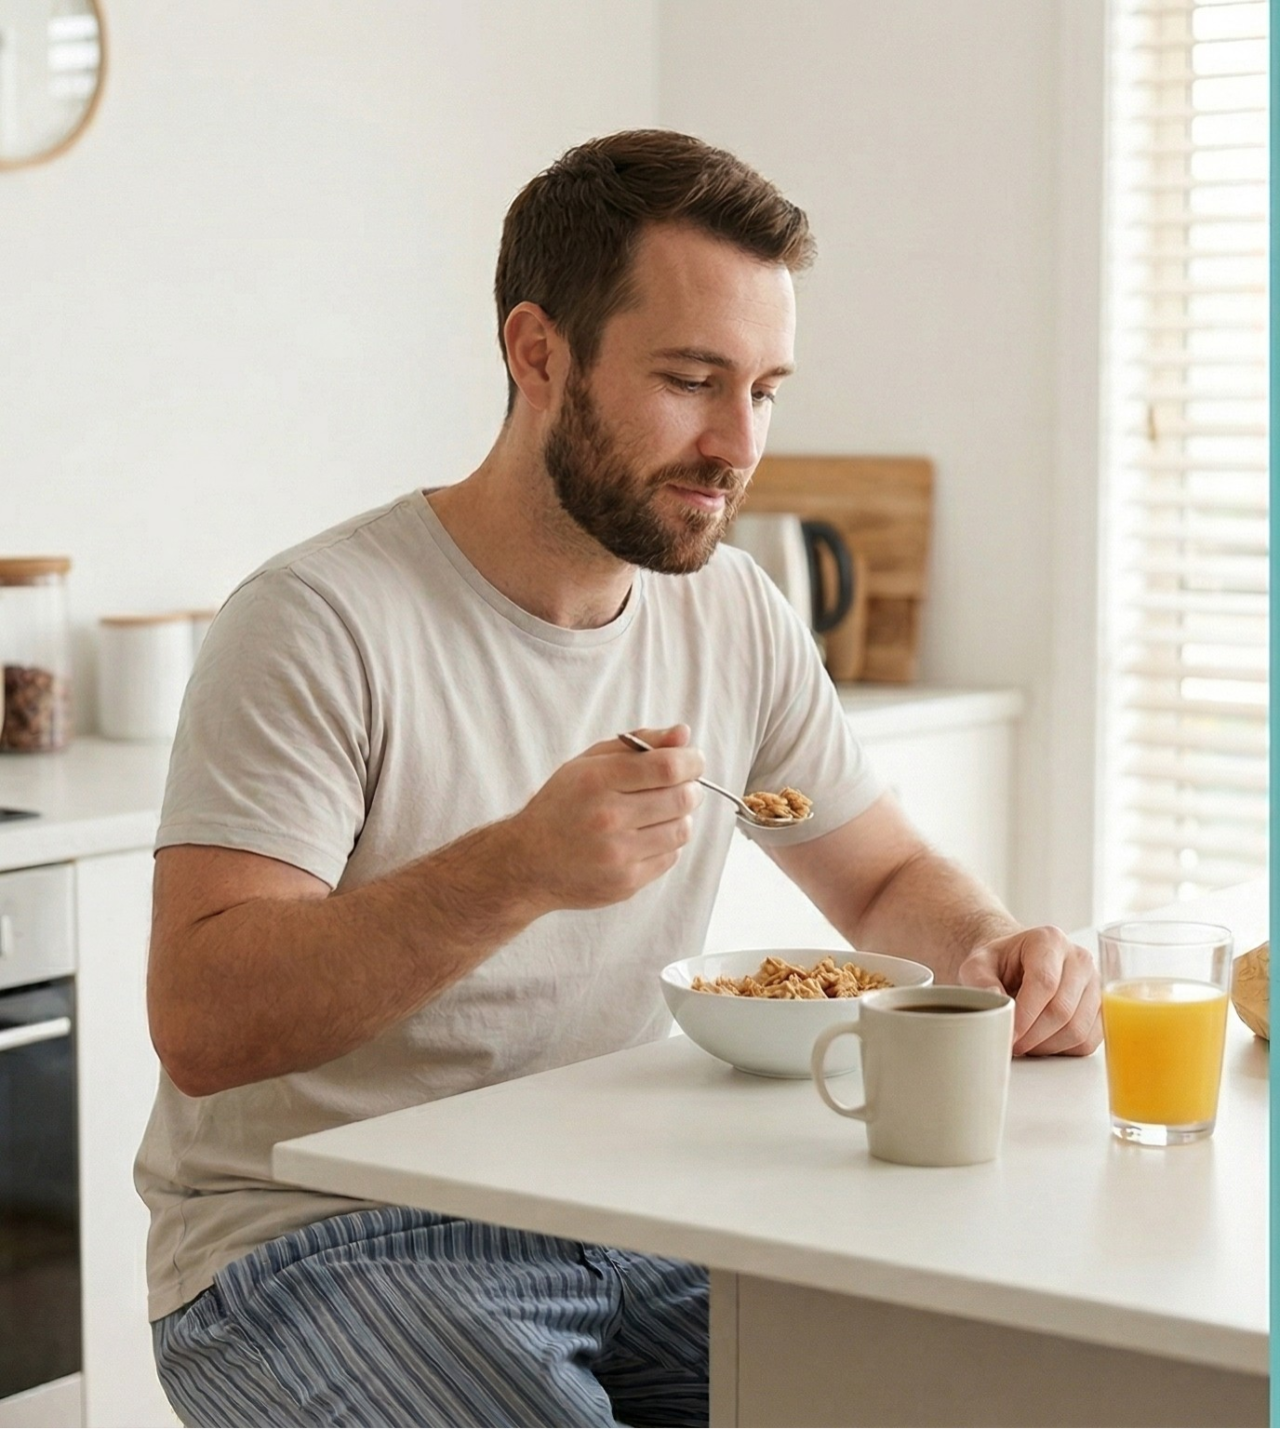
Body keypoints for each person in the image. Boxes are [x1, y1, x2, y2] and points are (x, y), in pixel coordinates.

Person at [138, 129, 1101, 1428]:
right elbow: (204, 1024)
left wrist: (994, 951)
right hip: (314, 1236)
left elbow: (881, 882)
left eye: (766, 389)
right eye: (694, 380)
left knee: (949, 1381)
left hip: (620, 1206)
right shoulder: (319, 619)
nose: (737, 444)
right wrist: (518, 867)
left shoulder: (737, 615)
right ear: (538, 353)